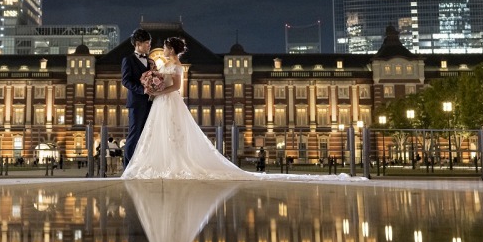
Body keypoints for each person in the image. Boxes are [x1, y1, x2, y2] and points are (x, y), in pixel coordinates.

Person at [122, 37, 369, 182]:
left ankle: (175, 166)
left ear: (172, 50)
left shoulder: (178, 67)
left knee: (175, 135)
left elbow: (176, 87)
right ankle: (160, 166)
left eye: (165, 47)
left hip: (168, 101)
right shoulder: (160, 63)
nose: (163, 50)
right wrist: (151, 87)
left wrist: (155, 91)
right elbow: (153, 78)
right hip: (160, 105)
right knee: (157, 136)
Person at [121, 28, 154, 168]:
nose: (149, 46)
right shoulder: (128, 60)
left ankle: (141, 165)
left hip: (151, 103)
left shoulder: (150, 61)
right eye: (147, 43)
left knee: (147, 135)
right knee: (134, 135)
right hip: (136, 103)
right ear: (138, 43)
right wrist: (143, 89)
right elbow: (126, 81)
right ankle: (128, 167)